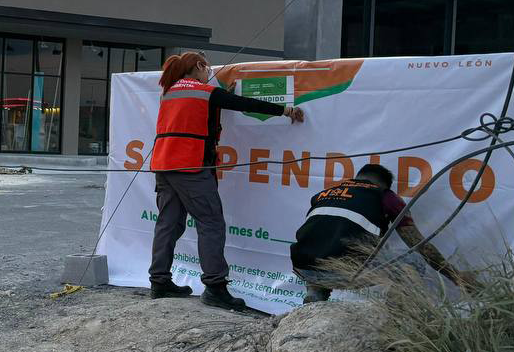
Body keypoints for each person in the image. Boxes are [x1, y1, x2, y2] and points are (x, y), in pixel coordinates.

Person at [149, 52, 305, 310]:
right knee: (211, 224)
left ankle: (159, 282)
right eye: (206, 68)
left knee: (168, 224)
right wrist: (285, 110)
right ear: (199, 65)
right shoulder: (205, 92)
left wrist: (221, 96)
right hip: (191, 167)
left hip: (164, 166)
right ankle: (215, 287)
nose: (208, 73)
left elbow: (197, 112)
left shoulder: (169, 91)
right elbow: (245, 103)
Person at [290, 162, 472, 302]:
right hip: (344, 273)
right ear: (385, 185)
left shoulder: (326, 193)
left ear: (358, 178)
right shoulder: (387, 197)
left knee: (323, 247)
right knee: (414, 262)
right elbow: (420, 245)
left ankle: (315, 292)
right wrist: (456, 277)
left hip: (303, 267)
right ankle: (395, 319)